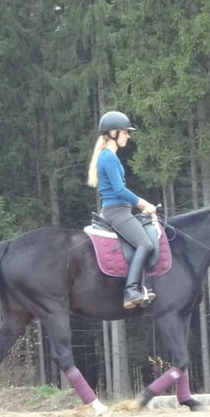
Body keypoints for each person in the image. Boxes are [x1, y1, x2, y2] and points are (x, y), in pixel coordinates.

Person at [87, 110, 158, 309]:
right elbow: (118, 189)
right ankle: (131, 290)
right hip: (116, 211)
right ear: (113, 133)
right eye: (125, 132)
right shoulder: (108, 158)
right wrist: (143, 204)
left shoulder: (109, 156)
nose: (128, 135)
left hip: (120, 210)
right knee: (145, 244)